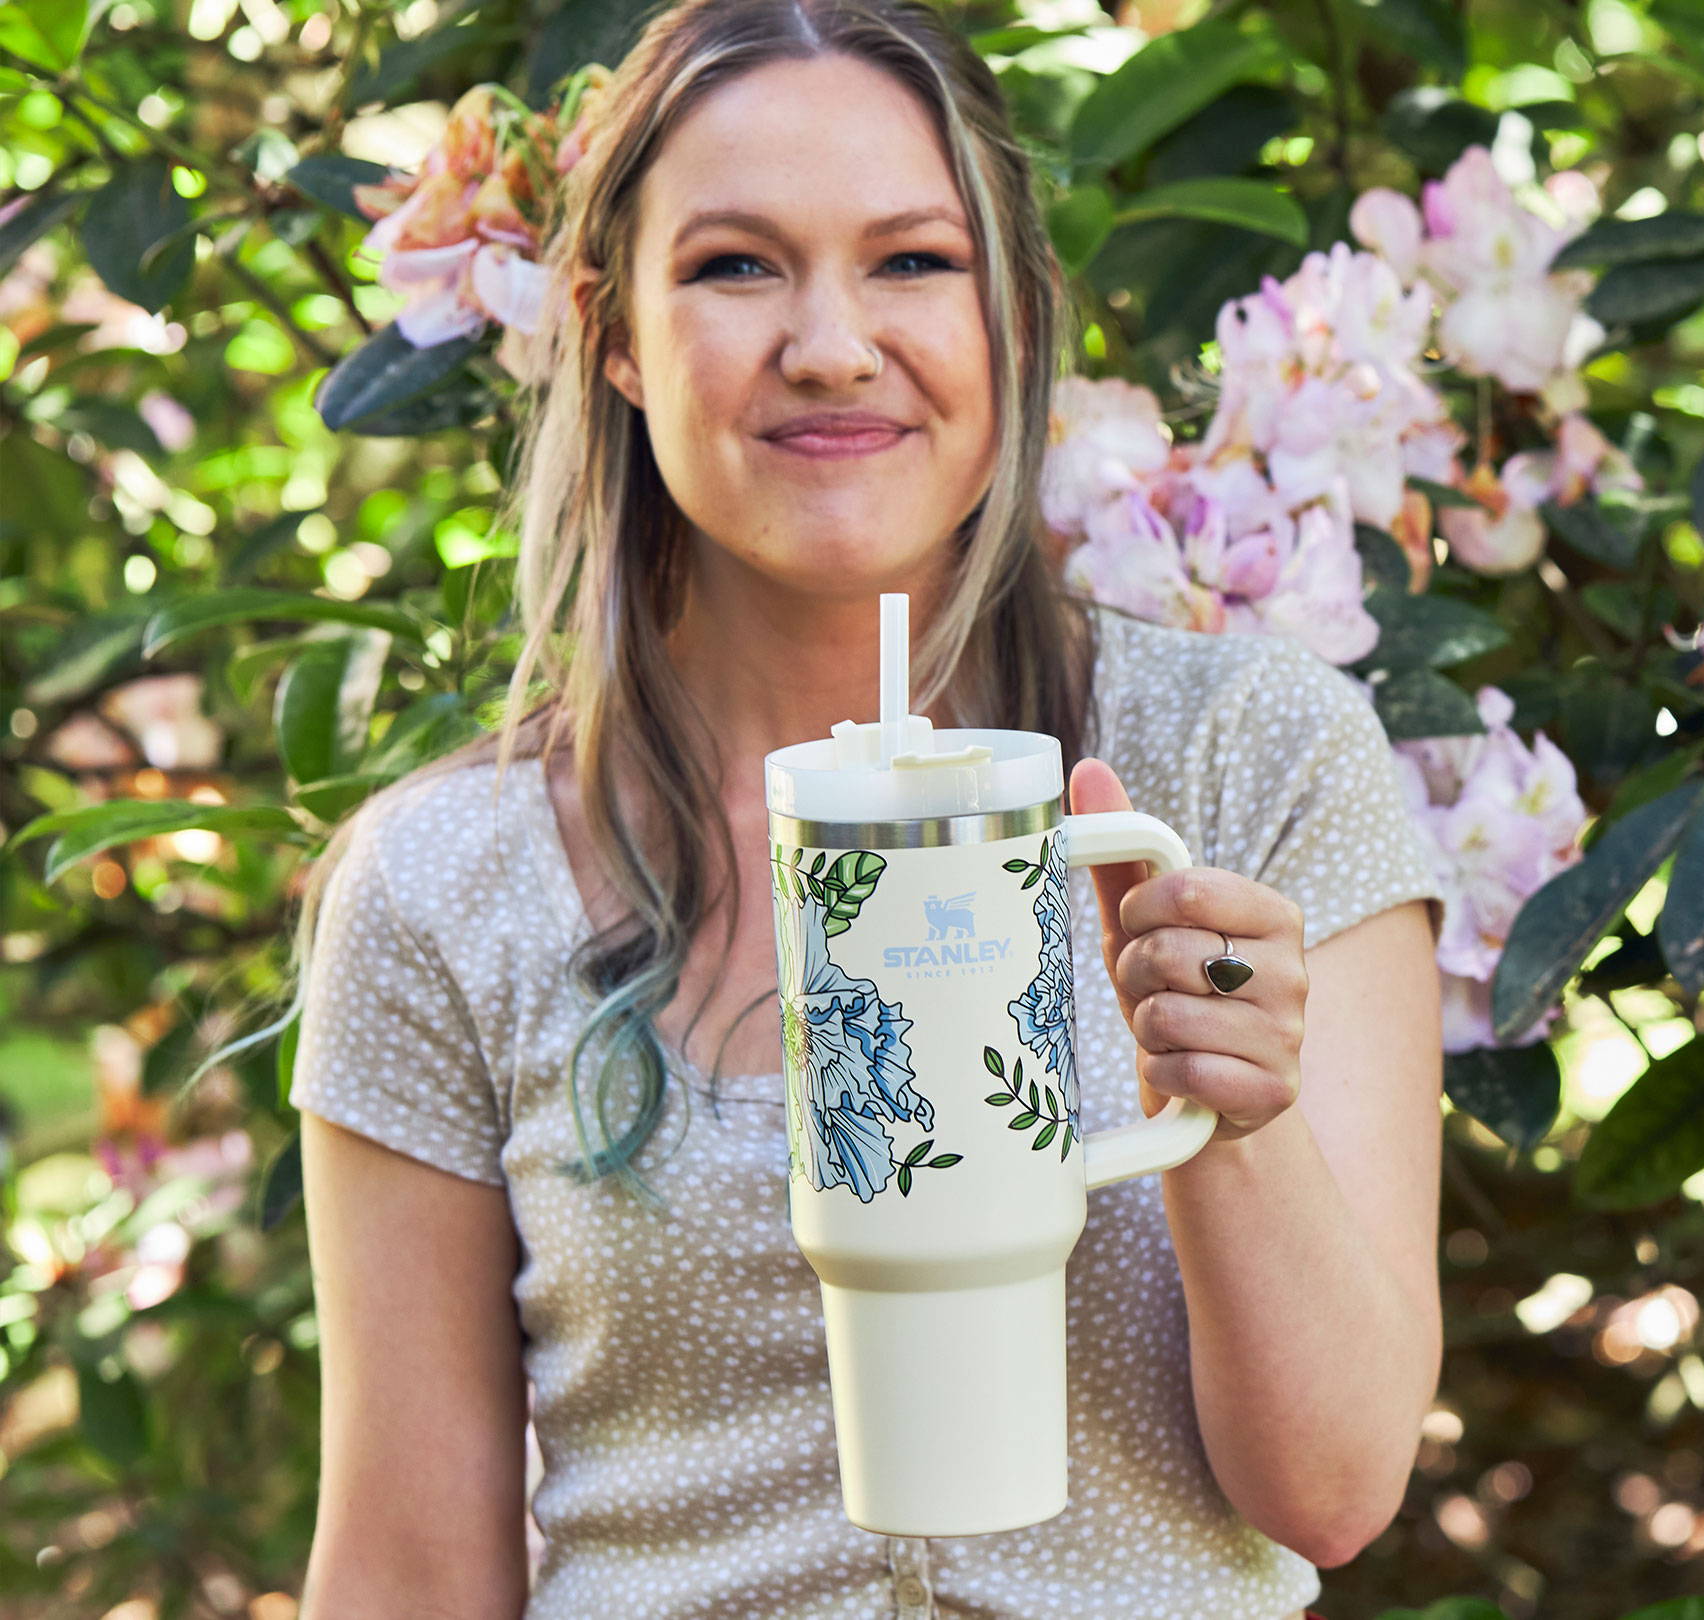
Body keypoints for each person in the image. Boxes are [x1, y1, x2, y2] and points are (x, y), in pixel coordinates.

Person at [283, 2, 1446, 1614]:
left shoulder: (1256, 767)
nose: (831, 343)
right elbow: (411, 1566)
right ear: (611, 332)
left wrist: (1229, 1126)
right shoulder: (448, 883)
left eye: (912, 262)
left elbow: (1332, 1492)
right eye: (736, 267)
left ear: (1014, 316)